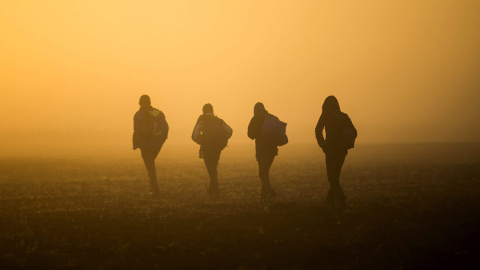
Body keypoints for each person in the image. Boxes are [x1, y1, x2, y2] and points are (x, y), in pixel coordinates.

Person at [315, 96, 357, 211]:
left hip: (331, 151)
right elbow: (354, 132)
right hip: (342, 151)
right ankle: (329, 200)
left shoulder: (326, 116)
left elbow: (317, 130)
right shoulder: (344, 117)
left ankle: (341, 199)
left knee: (332, 177)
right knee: (335, 176)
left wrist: (323, 145)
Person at [192, 104, 232, 198]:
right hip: (217, 148)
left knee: (211, 169)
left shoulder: (202, 120)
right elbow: (230, 131)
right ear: (212, 110)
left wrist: (201, 141)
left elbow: (194, 135)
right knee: (213, 168)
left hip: (207, 148)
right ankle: (212, 190)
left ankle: (216, 191)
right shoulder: (218, 120)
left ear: (203, 111)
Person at [133, 95, 169, 195]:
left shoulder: (138, 115)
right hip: (156, 144)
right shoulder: (157, 112)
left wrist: (138, 144)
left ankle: (155, 189)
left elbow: (137, 131)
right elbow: (165, 127)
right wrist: (161, 140)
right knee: (151, 165)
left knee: (150, 167)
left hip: (146, 145)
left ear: (140, 103)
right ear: (149, 102)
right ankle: (152, 187)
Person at [248, 102, 279, 200]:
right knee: (265, 173)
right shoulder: (272, 118)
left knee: (262, 174)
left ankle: (270, 191)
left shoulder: (255, 119)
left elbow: (250, 135)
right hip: (272, 150)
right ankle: (264, 197)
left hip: (261, 151)